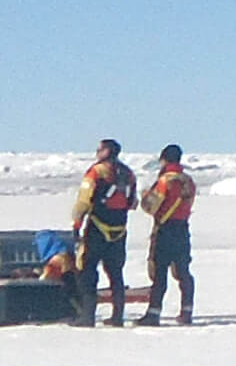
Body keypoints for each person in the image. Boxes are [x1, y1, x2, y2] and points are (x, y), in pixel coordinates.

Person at [68, 139, 137, 325]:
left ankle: (87, 316)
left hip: (97, 228)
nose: (97, 152)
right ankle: (117, 316)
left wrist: (76, 224)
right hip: (120, 231)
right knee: (116, 273)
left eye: (99, 149)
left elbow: (83, 200)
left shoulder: (96, 172)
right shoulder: (128, 173)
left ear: (107, 151)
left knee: (87, 270)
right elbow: (133, 203)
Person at [140, 144, 199, 325]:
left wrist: (145, 196)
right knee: (183, 272)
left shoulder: (165, 181)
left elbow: (151, 206)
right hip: (182, 229)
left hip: (165, 231)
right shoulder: (188, 181)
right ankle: (187, 311)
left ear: (164, 159)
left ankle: (153, 313)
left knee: (160, 273)